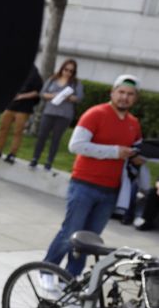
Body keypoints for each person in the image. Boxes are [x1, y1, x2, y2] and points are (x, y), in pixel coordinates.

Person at [41, 74, 142, 285]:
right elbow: (75, 145)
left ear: (135, 98)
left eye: (130, 94)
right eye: (121, 92)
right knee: (70, 232)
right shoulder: (95, 114)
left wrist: (137, 158)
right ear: (112, 93)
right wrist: (114, 152)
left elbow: (134, 151)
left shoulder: (134, 123)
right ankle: (47, 271)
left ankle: (71, 278)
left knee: (89, 239)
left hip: (111, 190)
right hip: (84, 185)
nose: (124, 97)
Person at [28, 59, 84, 171]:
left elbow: (79, 98)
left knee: (56, 139)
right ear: (62, 68)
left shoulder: (76, 83)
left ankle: (49, 162)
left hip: (64, 115)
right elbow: (43, 93)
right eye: (66, 69)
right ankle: (35, 158)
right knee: (42, 136)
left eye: (71, 71)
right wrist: (53, 95)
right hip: (49, 112)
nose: (67, 72)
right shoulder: (53, 79)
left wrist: (67, 97)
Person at [0, 62, 43, 163]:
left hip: (24, 109)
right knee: (3, 128)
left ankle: (12, 154)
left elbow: (36, 93)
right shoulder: (17, 71)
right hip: (11, 105)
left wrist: (21, 96)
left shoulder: (36, 76)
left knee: (17, 132)